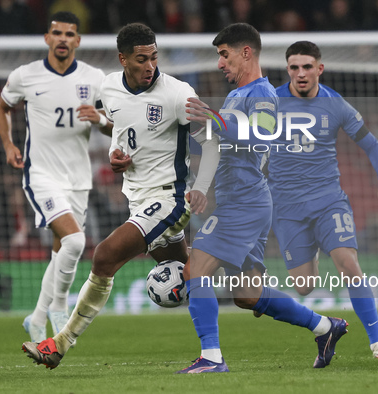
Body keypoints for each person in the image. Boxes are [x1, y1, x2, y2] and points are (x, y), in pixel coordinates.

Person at [21, 22, 221, 368]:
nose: (150, 66)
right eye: (141, 59)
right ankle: (304, 320)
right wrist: (117, 153)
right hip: (138, 198)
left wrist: (200, 188)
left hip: (171, 199)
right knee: (193, 274)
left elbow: (212, 141)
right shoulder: (110, 87)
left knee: (104, 256)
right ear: (123, 59)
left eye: (154, 58)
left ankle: (60, 343)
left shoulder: (178, 93)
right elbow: (121, 126)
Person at [176, 23, 347, 374]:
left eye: (224, 55)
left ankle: (211, 358)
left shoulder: (264, 93)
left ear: (246, 52)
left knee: (195, 269)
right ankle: (325, 327)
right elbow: (219, 143)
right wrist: (198, 176)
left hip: (244, 202)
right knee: (247, 295)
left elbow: (264, 137)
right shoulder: (236, 96)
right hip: (242, 201)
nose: (220, 63)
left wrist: (219, 121)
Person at [266, 41, 378, 358]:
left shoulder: (335, 104)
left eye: (307, 66)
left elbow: (372, 145)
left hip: (328, 201)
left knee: (349, 265)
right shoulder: (269, 102)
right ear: (287, 69)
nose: (301, 73)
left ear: (319, 69)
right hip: (286, 207)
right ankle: (326, 315)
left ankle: (377, 344)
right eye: (294, 67)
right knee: (303, 286)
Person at [0, 12, 112, 344]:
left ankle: (37, 317)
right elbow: (2, 108)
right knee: (75, 242)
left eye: (69, 34)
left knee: (62, 251)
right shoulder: (25, 76)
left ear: (77, 40)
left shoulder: (95, 78)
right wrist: (7, 144)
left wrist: (100, 119)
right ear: (47, 38)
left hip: (78, 178)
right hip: (41, 174)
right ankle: (59, 307)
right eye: (56, 33)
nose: (62, 38)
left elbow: (118, 122)